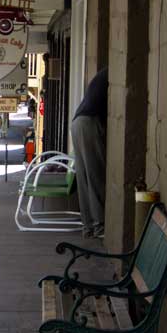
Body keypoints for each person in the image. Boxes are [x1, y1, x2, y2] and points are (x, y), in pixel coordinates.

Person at [71, 67, 108, 238]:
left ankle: (88, 226)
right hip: (89, 123)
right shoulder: (114, 73)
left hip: (78, 122)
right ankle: (100, 226)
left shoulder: (103, 74)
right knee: (95, 176)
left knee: (84, 178)